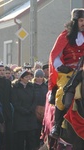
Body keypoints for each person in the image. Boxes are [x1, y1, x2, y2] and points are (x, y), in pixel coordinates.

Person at [49, 8, 84, 139]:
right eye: (81, 20)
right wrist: (61, 67)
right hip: (68, 72)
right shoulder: (65, 36)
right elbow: (55, 55)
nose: (83, 23)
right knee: (62, 93)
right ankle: (57, 125)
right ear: (75, 21)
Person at [11, 69, 38, 150]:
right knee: (20, 139)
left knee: (31, 139)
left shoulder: (31, 86)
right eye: (26, 77)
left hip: (31, 116)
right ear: (21, 78)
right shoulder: (15, 88)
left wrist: (31, 109)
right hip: (20, 117)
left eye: (29, 77)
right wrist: (23, 110)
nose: (28, 78)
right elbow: (15, 102)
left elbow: (35, 99)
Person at [0, 62, 13, 150]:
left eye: (3, 70)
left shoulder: (8, 82)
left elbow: (10, 97)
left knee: (7, 134)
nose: (2, 72)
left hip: (7, 110)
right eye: (0, 70)